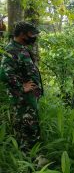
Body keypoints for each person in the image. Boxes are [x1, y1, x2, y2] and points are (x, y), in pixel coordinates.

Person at [0, 21, 42, 151]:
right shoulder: (11, 49)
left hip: (29, 98)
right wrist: (20, 87)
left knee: (30, 126)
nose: (34, 36)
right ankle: (29, 160)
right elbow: (4, 73)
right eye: (31, 33)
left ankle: (33, 156)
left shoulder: (22, 48)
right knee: (26, 128)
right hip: (21, 99)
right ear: (22, 34)